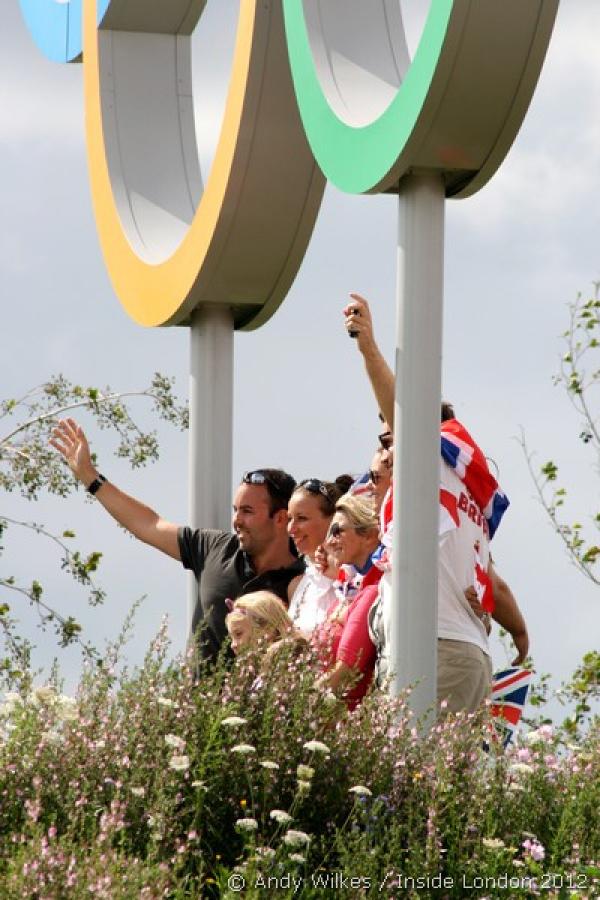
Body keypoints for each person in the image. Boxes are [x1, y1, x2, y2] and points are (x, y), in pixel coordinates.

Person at [344, 295, 529, 711]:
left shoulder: (434, 461)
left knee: (408, 774)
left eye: (391, 439)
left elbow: (404, 415)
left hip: (432, 653)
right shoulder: (461, 483)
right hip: (459, 654)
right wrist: (518, 632)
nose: (388, 452)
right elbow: (494, 584)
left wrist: (368, 347)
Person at [49, 418, 304, 662]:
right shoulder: (215, 549)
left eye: (247, 512)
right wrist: (89, 476)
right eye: (235, 510)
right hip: (195, 705)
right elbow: (149, 525)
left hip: (265, 706)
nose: (236, 520)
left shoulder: (307, 582)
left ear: (281, 518)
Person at [313, 494, 381, 710]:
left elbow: (347, 670)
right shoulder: (346, 593)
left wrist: (298, 707)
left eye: (337, 531)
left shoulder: (375, 591)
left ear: (369, 536)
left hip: (345, 719)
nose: (329, 541)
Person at [287, 476, 352, 637]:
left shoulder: (353, 580)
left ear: (333, 520)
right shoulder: (297, 585)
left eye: (301, 518)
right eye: (290, 519)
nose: (291, 529)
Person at [225, 590, 304, 658]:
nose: (233, 645)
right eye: (232, 638)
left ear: (268, 629)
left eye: (238, 634)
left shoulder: (282, 659)